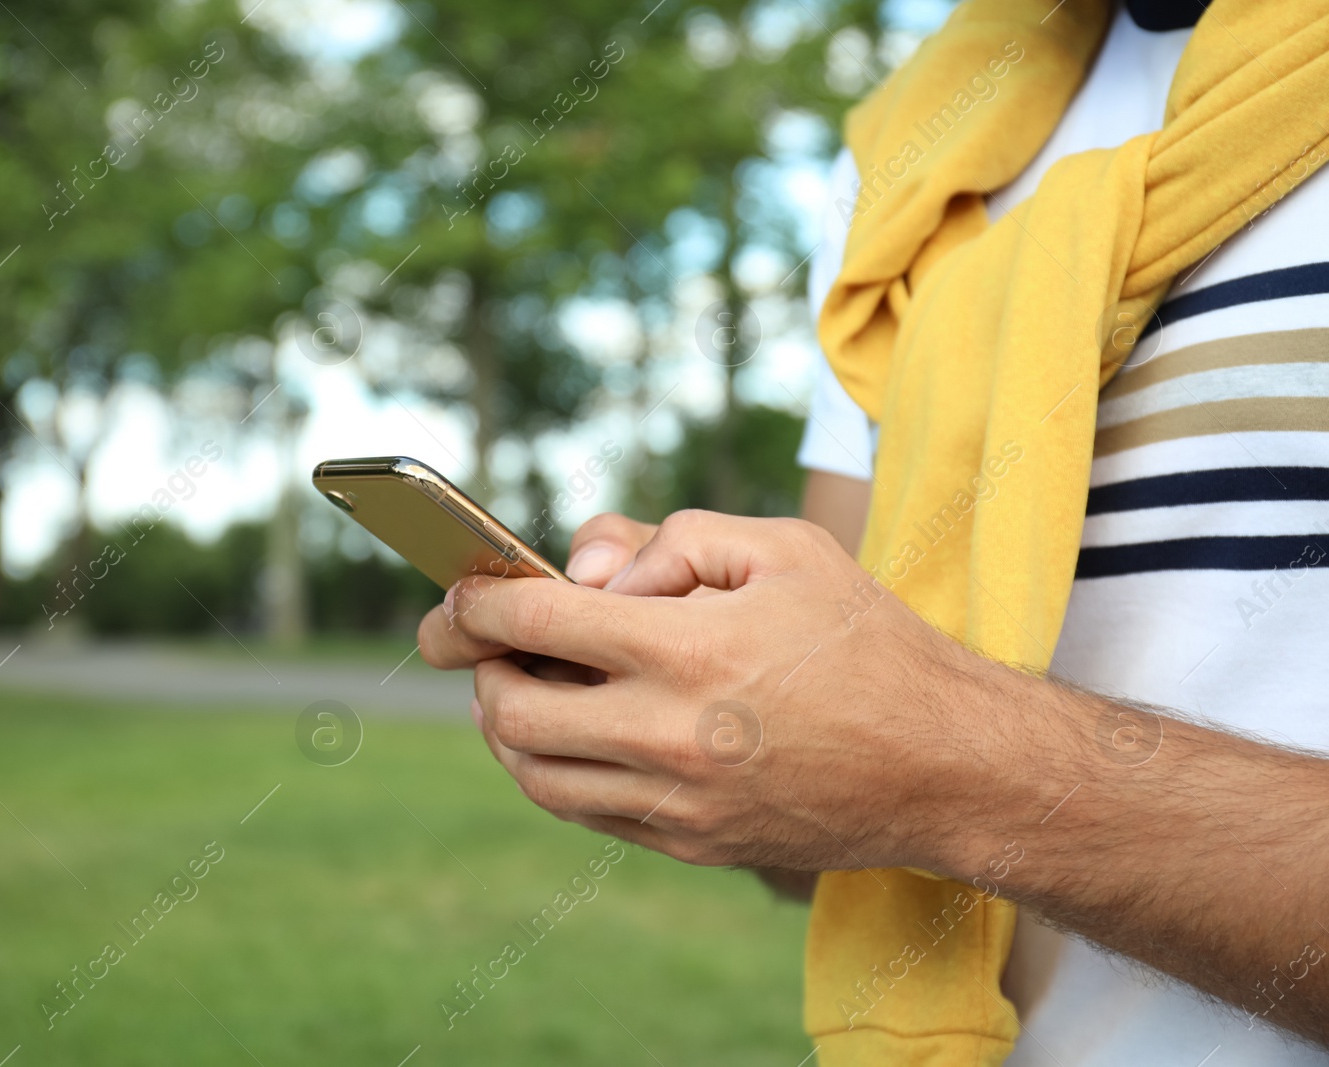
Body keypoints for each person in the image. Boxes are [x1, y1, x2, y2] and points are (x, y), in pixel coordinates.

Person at [420, 0, 1329, 1064]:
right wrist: (696, 699)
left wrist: (954, 763)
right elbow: (833, 826)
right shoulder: (913, 162)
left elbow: (911, 761)